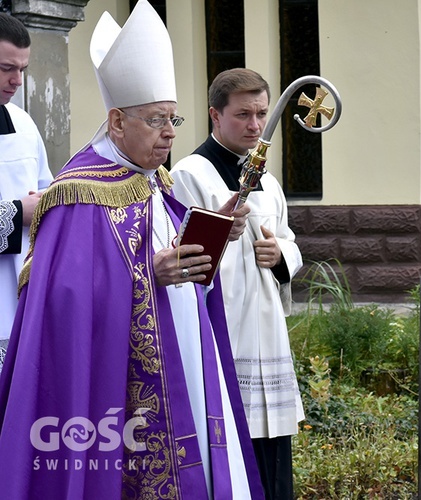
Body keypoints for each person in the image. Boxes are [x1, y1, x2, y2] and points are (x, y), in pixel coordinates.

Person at [0, 2, 265, 498]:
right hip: (115, 388)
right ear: (117, 122)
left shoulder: (154, 179)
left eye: (173, 119)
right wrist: (148, 276)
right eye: (155, 121)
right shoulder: (79, 191)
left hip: (186, 351)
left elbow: (171, 250)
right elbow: (65, 303)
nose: (169, 133)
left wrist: (211, 230)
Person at [170, 68, 304, 500]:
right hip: (226, 330)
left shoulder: (267, 177)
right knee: (230, 446)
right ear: (215, 115)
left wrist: (281, 256)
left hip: (267, 332)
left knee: (275, 458)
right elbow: (183, 254)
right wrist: (221, 232)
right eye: (243, 114)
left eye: (262, 114)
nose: (255, 125)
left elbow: (288, 240)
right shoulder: (191, 174)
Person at [0, 13, 52, 367]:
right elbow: (27, 208)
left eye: (22, 69)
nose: (16, 80)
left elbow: (46, 191)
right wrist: (18, 213)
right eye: (6, 68)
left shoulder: (23, 123)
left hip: (22, 298)